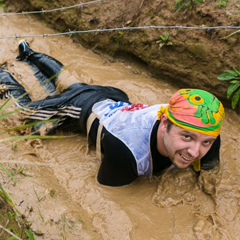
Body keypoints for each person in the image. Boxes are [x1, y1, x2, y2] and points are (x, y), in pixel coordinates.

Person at [0, 40, 225, 187]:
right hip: (84, 107)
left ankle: (28, 52)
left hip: (114, 98)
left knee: (72, 84)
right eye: (187, 137)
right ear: (165, 123)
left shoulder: (206, 132)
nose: (196, 151)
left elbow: (208, 175)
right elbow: (107, 191)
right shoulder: (126, 151)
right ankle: (5, 71)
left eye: (205, 143)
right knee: (23, 117)